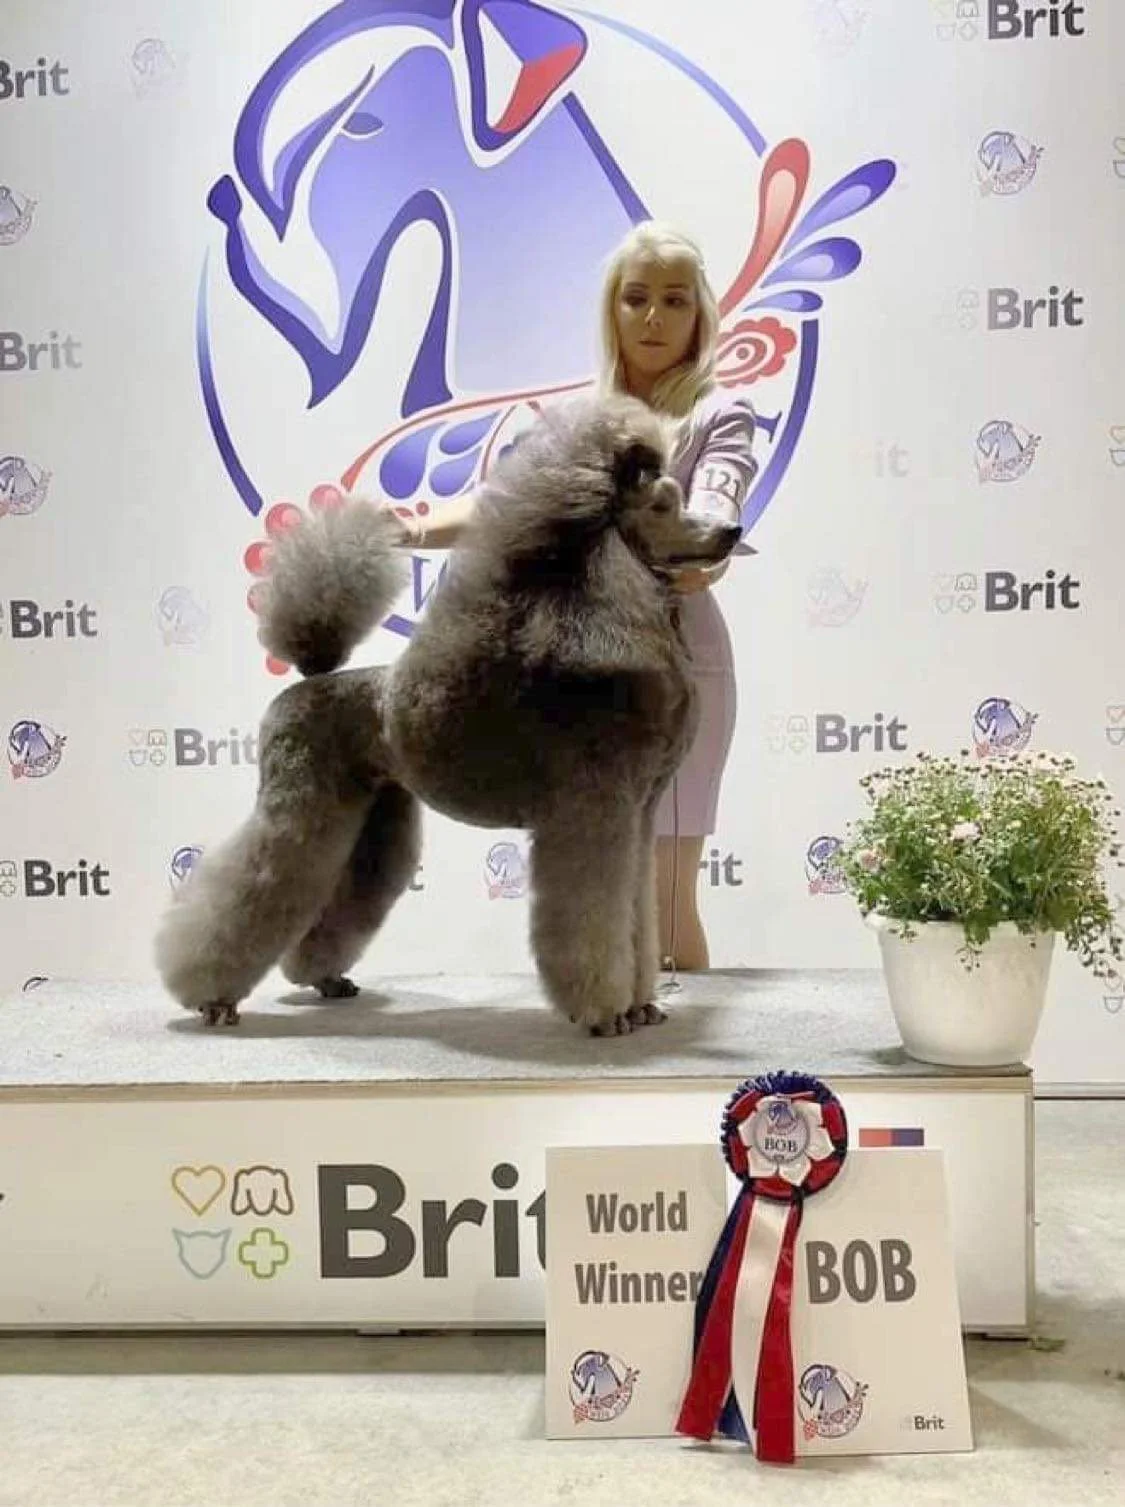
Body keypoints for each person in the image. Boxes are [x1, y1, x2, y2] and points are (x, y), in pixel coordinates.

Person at [396, 222, 757, 970]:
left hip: (677, 666)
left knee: (663, 905)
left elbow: (715, 509)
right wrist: (408, 527)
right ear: (611, 310)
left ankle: (671, 1040)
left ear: (699, 316)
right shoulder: (571, 424)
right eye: (636, 298)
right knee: (598, 882)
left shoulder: (719, 415)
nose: (653, 317)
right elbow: (501, 506)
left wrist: (703, 556)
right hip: (573, 672)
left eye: (674, 300)